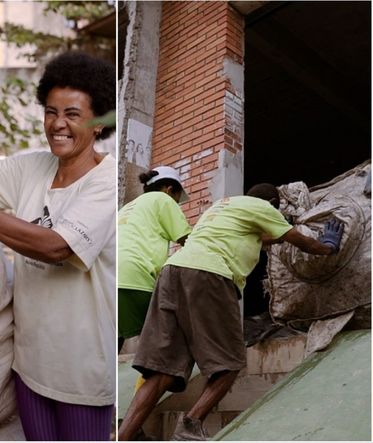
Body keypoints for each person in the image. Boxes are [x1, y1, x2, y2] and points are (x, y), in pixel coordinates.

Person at [118, 183, 344, 441]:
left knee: (162, 370)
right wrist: (326, 246)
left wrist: (278, 232)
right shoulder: (263, 207)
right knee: (229, 362)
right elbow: (296, 238)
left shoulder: (223, 208)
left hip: (171, 274)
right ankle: (190, 425)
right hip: (210, 275)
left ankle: (122, 436)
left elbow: (264, 238)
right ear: (272, 203)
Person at [0, 51, 116, 440]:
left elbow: (56, 247)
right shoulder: (30, 169)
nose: (57, 125)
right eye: (50, 112)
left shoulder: (107, 182)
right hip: (29, 368)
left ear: (99, 124)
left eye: (72, 114)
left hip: (81, 374)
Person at [118, 166, 192, 353]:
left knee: (110, 346)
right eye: (177, 198)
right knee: (168, 344)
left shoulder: (127, 208)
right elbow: (188, 240)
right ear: (169, 189)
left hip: (110, 278)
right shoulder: (163, 200)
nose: (177, 203)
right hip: (135, 276)